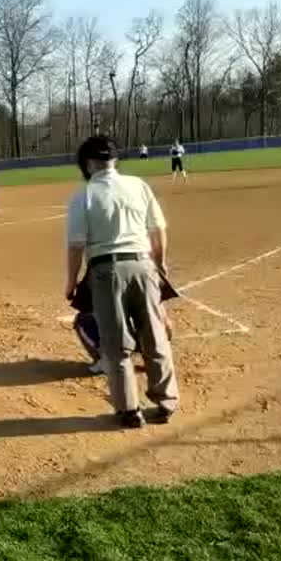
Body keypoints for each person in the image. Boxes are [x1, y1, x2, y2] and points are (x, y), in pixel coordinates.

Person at [64, 135, 178, 428]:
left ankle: (129, 411)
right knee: (154, 335)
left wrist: (71, 281)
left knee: (116, 346)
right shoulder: (138, 185)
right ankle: (166, 402)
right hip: (143, 265)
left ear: (87, 163)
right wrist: (160, 263)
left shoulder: (84, 195)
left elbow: (76, 245)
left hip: (107, 271)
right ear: (115, 160)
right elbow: (158, 229)